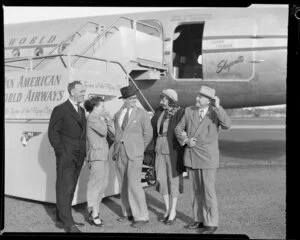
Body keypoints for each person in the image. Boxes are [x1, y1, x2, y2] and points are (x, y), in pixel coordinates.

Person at [175, 86, 231, 234]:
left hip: (208, 158)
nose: (197, 99)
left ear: (209, 100)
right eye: (198, 96)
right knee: (195, 191)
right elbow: (178, 129)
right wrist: (186, 140)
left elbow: (227, 125)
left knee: (208, 191)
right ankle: (199, 220)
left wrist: (218, 107)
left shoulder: (215, 112)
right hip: (192, 155)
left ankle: (211, 222)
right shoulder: (189, 111)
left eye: (201, 97)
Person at [48, 80, 86, 233]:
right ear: (72, 92)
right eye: (81, 91)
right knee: (65, 187)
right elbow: (53, 133)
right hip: (66, 155)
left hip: (79, 155)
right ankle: (68, 223)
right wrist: (62, 152)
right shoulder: (61, 109)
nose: (84, 93)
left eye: (84, 91)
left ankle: (62, 218)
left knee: (70, 188)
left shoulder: (81, 110)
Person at [113, 85, 153, 228]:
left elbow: (148, 133)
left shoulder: (142, 113)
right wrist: (115, 150)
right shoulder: (118, 114)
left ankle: (142, 216)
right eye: (130, 99)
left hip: (134, 154)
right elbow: (117, 134)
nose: (134, 100)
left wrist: (139, 149)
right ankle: (128, 213)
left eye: (135, 98)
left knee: (134, 185)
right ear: (124, 100)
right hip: (120, 153)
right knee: (123, 185)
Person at [151, 89, 185, 225]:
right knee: (161, 180)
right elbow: (153, 128)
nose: (161, 102)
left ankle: (173, 211)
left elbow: (182, 131)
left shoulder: (180, 113)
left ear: (170, 100)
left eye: (164, 99)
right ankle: (167, 209)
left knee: (173, 181)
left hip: (173, 151)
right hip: (159, 148)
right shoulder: (160, 112)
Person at [84, 96, 115, 227]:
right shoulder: (92, 118)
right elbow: (103, 132)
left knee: (102, 185)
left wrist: (107, 120)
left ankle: (94, 211)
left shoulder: (98, 118)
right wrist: (106, 119)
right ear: (95, 107)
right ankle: (93, 213)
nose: (104, 109)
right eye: (102, 106)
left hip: (102, 155)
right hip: (96, 156)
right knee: (96, 185)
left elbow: (113, 134)